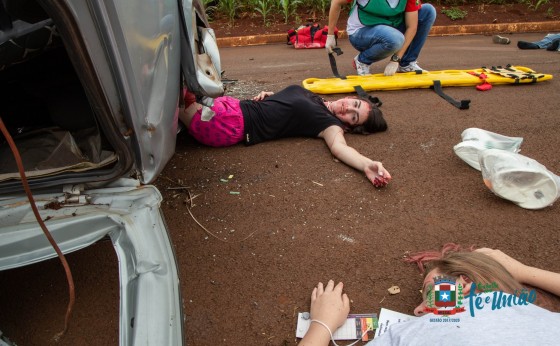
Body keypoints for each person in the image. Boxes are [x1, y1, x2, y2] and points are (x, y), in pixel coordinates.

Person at [299, 244, 560, 345]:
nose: (417, 310)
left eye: (428, 291)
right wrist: (522, 272)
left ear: (464, 283)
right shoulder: (547, 322)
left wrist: (321, 324)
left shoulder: (422, 334)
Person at [180, 85, 392, 187]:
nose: (347, 109)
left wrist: (366, 164)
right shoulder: (315, 98)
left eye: (353, 117)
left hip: (228, 124)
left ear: (348, 126)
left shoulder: (329, 124)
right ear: (351, 97)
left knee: (168, 96)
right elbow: (287, 106)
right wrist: (270, 97)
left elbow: (340, 148)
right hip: (231, 106)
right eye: (354, 104)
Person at [325, 0, 436, 76]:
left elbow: (411, 27)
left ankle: (407, 63)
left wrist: (396, 59)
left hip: (391, 29)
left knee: (428, 11)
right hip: (361, 32)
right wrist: (330, 35)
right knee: (395, 39)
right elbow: (336, 2)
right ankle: (362, 60)